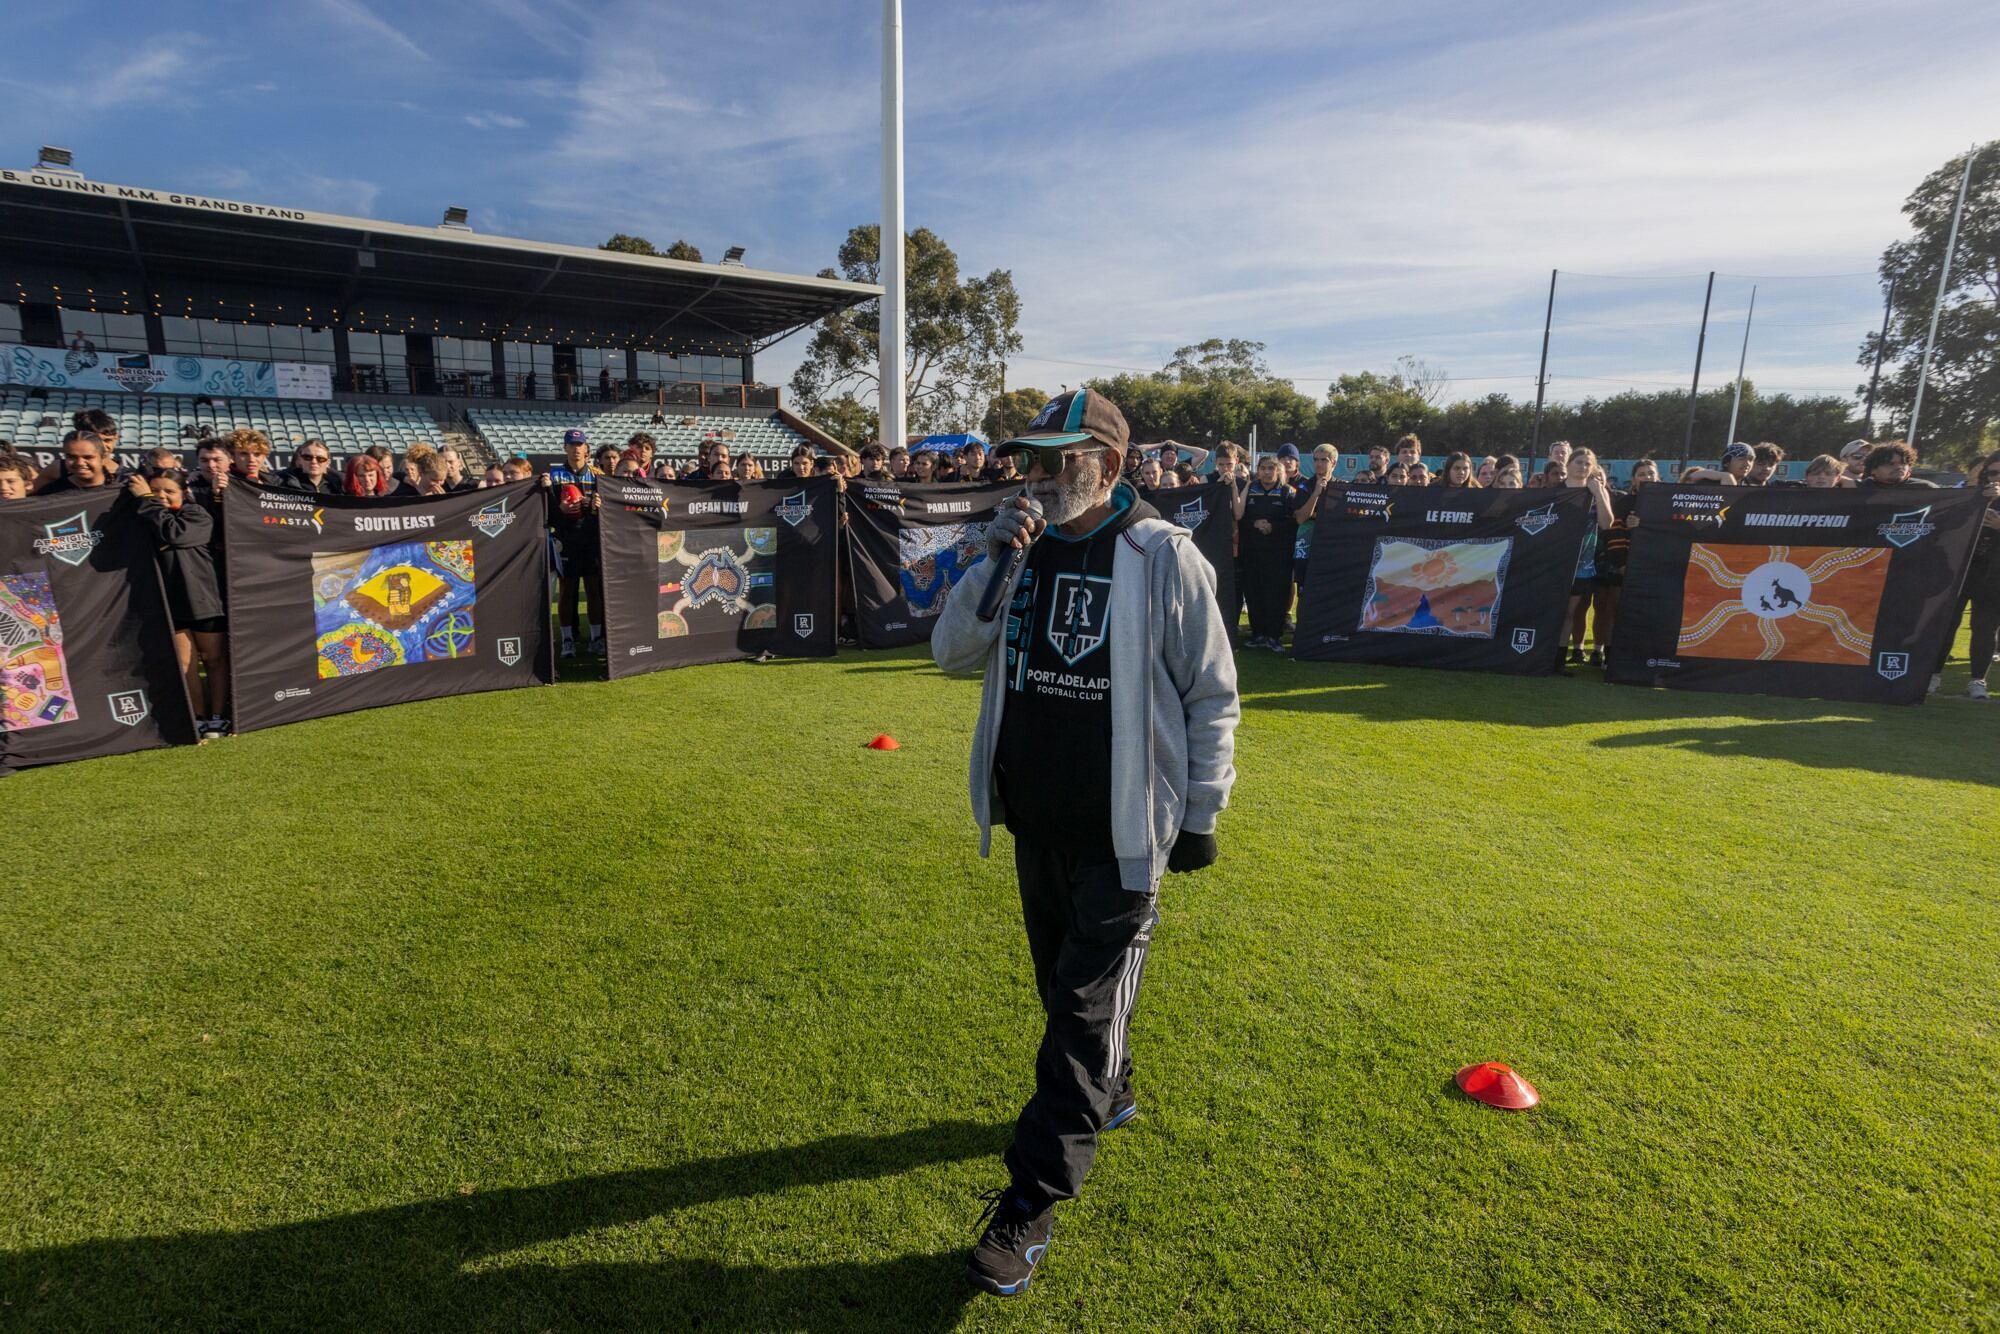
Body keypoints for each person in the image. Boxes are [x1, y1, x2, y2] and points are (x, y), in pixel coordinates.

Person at [929, 387, 1238, 1298]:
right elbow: (949, 653)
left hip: (1123, 832)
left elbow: (1212, 693)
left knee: (1076, 1021)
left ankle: (1029, 1206)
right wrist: (992, 558)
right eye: (1029, 459)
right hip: (1036, 819)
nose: (1036, 476)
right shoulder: (1018, 549)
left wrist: (1202, 814)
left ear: (1106, 464)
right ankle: (1118, 1086)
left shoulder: (1162, 556)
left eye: (1056, 460)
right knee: (1062, 992)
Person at [128, 470, 229, 736]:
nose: (161, 496)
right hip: (169, 601)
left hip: (204, 599)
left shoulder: (197, 514)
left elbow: (175, 534)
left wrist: (146, 499)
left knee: (213, 660)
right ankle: (198, 716)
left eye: (169, 491)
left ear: (184, 493)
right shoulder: (147, 515)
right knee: (185, 663)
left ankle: (219, 715)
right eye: (155, 490)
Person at [1937, 451, 2000, 699]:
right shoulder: (1970, 494)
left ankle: (1977, 680)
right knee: (1946, 623)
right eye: (1993, 472)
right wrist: (1978, 503)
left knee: (1984, 627)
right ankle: (1932, 675)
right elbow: (1944, 524)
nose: (1997, 478)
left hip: (1993, 574)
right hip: (1960, 569)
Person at [545, 429, 605, 658]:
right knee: (567, 591)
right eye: (571, 444)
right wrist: (559, 509)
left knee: (593, 590)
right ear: (565, 448)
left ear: (586, 448)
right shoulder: (554, 475)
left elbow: (607, 509)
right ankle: (567, 640)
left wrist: (597, 507)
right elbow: (547, 511)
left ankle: (596, 638)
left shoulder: (598, 476)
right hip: (566, 540)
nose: (576, 448)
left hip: (591, 539)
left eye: (579, 444)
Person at [1562, 447, 1617, 667]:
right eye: (1579, 462)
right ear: (1568, 464)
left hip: (1582, 563)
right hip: (1555, 560)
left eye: (1587, 463)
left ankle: (1559, 659)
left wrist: (1598, 493)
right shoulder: (1555, 490)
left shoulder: (1596, 492)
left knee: (1571, 611)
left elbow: (1606, 523)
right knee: (1554, 610)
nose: (1583, 467)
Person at [1238, 453, 1298, 651]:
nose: (1266, 472)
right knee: (1254, 593)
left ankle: (1274, 636)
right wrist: (1254, 524)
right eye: (1263, 468)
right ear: (1258, 470)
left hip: (1278, 554)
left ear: (1278, 471)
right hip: (1252, 552)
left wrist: (1273, 527)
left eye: (1271, 468)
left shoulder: (1287, 492)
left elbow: (1294, 521)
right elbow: (1238, 517)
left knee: (1276, 595)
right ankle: (1257, 634)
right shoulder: (1250, 490)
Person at [37, 431, 120, 494]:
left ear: (102, 457)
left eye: (88, 457)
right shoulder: (51, 492)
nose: (80, 463)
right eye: (72, 457)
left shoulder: (120, 491)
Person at [1861, 441, 1935, 488]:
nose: (1899, 467)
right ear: (1873, 470)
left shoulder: (1925, 489)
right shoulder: (1861, 490)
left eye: (1903, 463)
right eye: (1891, 464)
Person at [276, 440, 340, 495]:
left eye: (320, 458)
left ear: (328, 463)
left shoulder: (337, 488)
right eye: (307, 457)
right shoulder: (280, 483)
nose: (314, 462)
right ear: (300, 460)